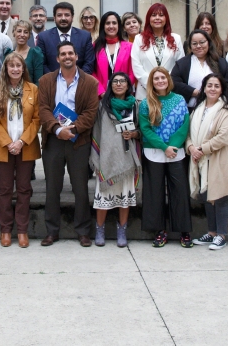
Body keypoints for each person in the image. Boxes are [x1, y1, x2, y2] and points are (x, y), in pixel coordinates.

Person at [38, 42, 100, 247]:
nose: (67, 57)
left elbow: (91, 113)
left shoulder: (90, 82)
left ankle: (83, 231)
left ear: (76, 56)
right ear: (57, 58)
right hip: (53, 140)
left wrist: (72, 130)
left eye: (70, 53)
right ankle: (51, 231)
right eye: (63, 53)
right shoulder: (46, 80)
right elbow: (44, 109)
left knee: (80, 188)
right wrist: (57, 130)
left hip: (78, 141)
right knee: (52, 188)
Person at [0, 54, 42, 248]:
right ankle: (5, 230)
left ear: (23, 68)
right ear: (6, 68)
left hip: (25, 147)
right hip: (3, 148)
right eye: (11, 66)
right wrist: (8, 142)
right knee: (4, 189)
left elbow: (37, 119)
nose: (15, 69)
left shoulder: (33, 89)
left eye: (18, 65)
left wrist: (21, 141)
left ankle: (22, 230)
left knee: (23, 189)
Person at [138, 67, 192, 248]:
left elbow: (184, 125)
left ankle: (184, 231)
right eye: (156, 79)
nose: (160, 81)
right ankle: (159, 230)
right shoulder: (146, 103)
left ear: (168, 79)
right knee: (155, 193)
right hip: (153, 153)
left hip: (176, 153)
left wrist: (172, 146)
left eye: (163, 77)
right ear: (151, 83)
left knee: (180, 191)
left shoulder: (179, 99)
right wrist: (163, 147)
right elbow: (145, 129)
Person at [187, 74, 228, 250]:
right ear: (204, 88)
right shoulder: (197, 109)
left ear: (222, 89)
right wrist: (191, 147)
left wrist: (201, 149)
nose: (213, 89)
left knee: (220, 197)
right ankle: (212, 232)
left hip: (217, 158)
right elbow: (188, 133)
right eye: (209, 85)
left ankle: (222, 235)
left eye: (217, 86)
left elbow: (224, 137)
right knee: (207, 196)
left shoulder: (225, 111)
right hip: (200, 160)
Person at [90, 72, 141, 247]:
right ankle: (100, 229)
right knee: (103, 196)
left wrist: (134, 133)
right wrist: (96, 158)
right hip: (107, 157)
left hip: (127, 158)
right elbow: (96, 131)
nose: (119, 84)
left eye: (123, 81)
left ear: (128, 85)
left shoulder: (135, 105)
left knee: (124, 198)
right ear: (110, 85)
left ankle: (122, 230)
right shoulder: (102, 106)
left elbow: (142, 129)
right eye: (115, 81)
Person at [131, 3, 184, 100]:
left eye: (161, 15)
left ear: (166, 18)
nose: (157, 18)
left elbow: (180, 65)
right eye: (154, 15)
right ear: (148, 19)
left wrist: (165, 84)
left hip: (169, 92)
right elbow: (136, 65)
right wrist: (152, 85)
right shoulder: (139, 39)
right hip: (145, 92)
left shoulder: (176, 38)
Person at [172, 29, 228, 110]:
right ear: (190, 46)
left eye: (202, 42)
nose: (198, 46)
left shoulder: (220, 62)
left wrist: (214, 92)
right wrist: (192, 92)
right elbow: (174, 82)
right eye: (194, 43)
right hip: (190, 109)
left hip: (217, 108)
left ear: (208, 43)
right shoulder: (182, 64)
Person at [35, 1, 96, 75]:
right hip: (52, 83)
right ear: (54, 18)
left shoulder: (85, 36)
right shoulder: (43, 37)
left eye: (67, 15)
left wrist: (77, 80)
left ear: (72, 17)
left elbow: (89, 63)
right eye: (59, 15)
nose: (63, 18)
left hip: (79, 83)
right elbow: (41, 64)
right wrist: (55, 80)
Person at [91, 12, 135, 97]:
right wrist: (101, 92)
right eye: (107, 23)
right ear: (103, 26)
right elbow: (92, 71)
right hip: (101, 96)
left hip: (124, 96)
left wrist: (123, 90)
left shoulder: (129, 47)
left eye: (114, 23)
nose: (111, 26)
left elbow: (132, 72)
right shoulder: (95, 47)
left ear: (119, 26)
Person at [10, 19, 45, 87]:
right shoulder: (8, 54)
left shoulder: (35, 53)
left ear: (29, 35)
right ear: (14, 33)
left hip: (30, 94)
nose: (22, 35)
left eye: (26, 32)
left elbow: (38, 80)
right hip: (10, 94)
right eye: (19, 31)